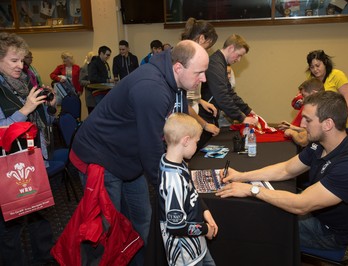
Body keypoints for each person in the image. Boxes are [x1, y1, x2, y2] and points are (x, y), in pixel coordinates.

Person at [69, 40, 210, 265]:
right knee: (106, 232)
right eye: (199, 73)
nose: (203, 79)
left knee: (142, 222)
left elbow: (176, 136)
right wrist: (179, 191)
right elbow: (152, 150)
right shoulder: (151, 88)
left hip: (130, 159)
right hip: (101, 157)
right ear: (178, 68)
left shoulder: (177, 84)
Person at [216, 91, 348, 251]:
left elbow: (301, 205)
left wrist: (252, 189)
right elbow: (286, 169)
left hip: (328, 233)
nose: (302, 125)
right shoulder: (320, 144)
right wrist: (242, 176)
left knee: (254, 224)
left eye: (308, 120)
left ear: (327, 124)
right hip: (316, 213)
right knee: (258, 212)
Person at [0, 32, 56, 265]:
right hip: (9, 166)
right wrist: (25, 109)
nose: (20, 66)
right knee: (10, 227)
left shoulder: (24, 82)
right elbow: (2, 130)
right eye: (14, 60)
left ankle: (46, 258)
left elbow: (45, 123)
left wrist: (48, 107)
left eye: (22, 60)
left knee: (38, 215)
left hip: (32, 158)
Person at [159, 113, 218, 266]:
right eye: (196, 142)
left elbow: (191, 191)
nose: (197, 146)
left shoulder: (177, 162)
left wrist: (205, 211)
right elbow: (176, 226)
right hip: (186, 256)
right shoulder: (173, 182)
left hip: (198, 244)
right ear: (186, 141)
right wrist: (205, 229)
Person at [199, 34, 259, 147]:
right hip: (203, 117)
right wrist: (242, 117)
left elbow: (229, 92)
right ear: (231, 48)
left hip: (210, 115)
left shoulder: (220, 63)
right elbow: (222, 96)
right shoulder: (215, 64)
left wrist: (247, 110)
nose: (239, 59)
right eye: (239, 55)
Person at [181, 17, 220, 140]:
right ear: (202, 38)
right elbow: (184, 103)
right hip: (185, 120)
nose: (207, 51)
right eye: (208, 47)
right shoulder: (185, 61)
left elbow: (189, 96)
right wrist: (205, 125)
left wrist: (200, 101)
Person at [306, 50, 348, 126]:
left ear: (325, 63)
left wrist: (342, 122)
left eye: (317, 66)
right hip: (321, 122)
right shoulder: (311, 80)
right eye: (312, 67)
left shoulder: (337, 75)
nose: (315, 69)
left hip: (339, 121)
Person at [278, 78, 324, 147]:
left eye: (304, 96)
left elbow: (304, 141)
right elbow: (306, 130)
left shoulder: (320, 111)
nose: (302, 100)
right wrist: (292, 127)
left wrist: (292, 133)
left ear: (314, 94)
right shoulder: (321, 106)